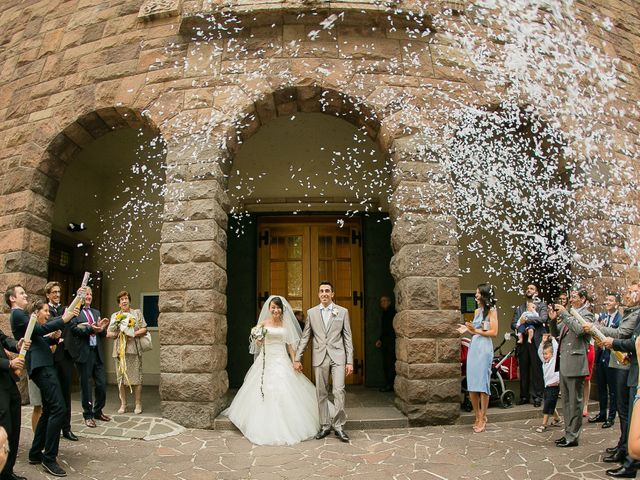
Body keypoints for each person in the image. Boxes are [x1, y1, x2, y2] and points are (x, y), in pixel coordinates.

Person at [224, 296, 320, 445]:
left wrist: (295, 360)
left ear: (282, 309)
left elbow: (289, 346)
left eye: (278, 307)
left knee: (285, 389)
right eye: (273, 307)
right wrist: (259, 340)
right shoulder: (263, 324)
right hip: (266, 360)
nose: (275, 310)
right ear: (269, 309)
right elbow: (257, 343)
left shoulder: (286, 325)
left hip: (281, 359)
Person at [9, 286, 80, 477]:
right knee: (59, 408)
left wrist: (55, 340)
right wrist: (64, 319)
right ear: (11, 299)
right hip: (41, 366)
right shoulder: (18, 314)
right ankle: (49, 458)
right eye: (22, 293)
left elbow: (37, 338)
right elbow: (39, 330)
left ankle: (35, 453)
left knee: (49, 409)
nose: (26, 295)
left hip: (41, 363)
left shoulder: (23, 317)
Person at [590, 281, 640, 476]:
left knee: (630, 415)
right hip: (633, 367)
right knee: (627, 413)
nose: (628, 294)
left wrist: (614, 342)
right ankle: (628, 459)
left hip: (635, 374)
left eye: (632, 291)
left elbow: (631, 339)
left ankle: (630, 462)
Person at [294, 281, 354, 443]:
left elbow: (348, 338)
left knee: (339, 390)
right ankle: (325, 425)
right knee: (321, 392)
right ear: (318, 294)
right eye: (321, 291)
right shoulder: (312, 313)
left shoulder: (342, 312)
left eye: (327, 291)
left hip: (338, 357)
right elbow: (306, 336)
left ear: (332, 294)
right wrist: (297, 357)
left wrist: (350, 361)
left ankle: (339, 426)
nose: (324, 293)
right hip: (320, 357)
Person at [553, 289, 592, 448]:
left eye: (574, 297)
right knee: (567, 401)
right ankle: (567, 433)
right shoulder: (569, 313)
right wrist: (552, 320)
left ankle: (573, 436)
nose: (571, 300)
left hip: (575, 362)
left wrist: (565, 314)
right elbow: (557, 332)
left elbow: (579, 329)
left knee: (575, 402)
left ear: (583, 299)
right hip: (564, 362)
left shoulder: (587, 315)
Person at [458, 283, 498, 433]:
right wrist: (467, 329)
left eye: (478, 293)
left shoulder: (492, 311)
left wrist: (476, 330)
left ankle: (483, 417)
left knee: (482, 384)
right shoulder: (476, 311)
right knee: (473, 384)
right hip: (474, 347)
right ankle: (477, 415)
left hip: (484, 348)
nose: (476, 295)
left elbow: (494, 332)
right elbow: (474, 331)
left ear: (484, 295)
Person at [69, 287, 110, 427]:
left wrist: (102, 327)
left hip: (96, 352)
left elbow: (101, 334)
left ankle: (98, 411)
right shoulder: (75, 312)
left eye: (91, 294)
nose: (89, 296)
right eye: (86, 294)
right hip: (84, 354)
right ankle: (88, 415)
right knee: (86, 386)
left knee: (101, 384)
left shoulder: (96, 312)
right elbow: (74, 330)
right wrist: (91, 328)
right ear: (80, 296)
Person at [0, 293, 30, 480]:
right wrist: (8, 364)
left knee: (15, 426)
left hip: (7, 381)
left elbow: (4, 339)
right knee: (4, 428)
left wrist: (17, 345)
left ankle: (8, 471)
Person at [45, 281, 78, 442]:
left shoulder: (66, 310)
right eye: (54, 292)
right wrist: (65, 316)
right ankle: (52, 428)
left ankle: (67, 428)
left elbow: (71, 324)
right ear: (48, 294)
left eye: (59, 292)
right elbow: (49, 324)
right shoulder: (45, 310)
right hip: (50, 356)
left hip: (65, 355)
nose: (57, 295)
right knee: (52, 394)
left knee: (66, 392)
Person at [107, 290, 147, 415]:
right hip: (119, 351)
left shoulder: (137, 313)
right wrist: (120, 334)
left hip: (133, 350)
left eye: (126, 298)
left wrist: (132, 333)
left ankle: (138, 403)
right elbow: (109, 333)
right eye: (122, 299)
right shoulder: (115, 316)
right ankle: (123, 404)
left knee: (136, 378)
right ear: (119, 303)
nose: (124, 301)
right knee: (121, 379)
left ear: (129, 300)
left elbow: (144, 329)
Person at [511, 283, 548, 407]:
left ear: (536, 293)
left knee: (537, 370)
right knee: (524, 369)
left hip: (536, 341)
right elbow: (513, 323)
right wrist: (520, 323)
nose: (529, 290)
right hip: (523, 343)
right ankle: (524, 396)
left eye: (532, 289)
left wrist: (526, 320)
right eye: (527, 288)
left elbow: (543, 319)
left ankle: (538, 396)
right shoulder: (520, 308)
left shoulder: (542, 306)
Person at [590, 293, 622, 428]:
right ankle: (602, 413)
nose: (607, 302)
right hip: (601, 355)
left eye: (611, 300)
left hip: (613, 357)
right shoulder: (602, 317)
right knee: (601, 386)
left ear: (617, 304)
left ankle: (611, 416)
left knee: (612, 389)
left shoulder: (620, 319)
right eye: (606, 299)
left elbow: (619, 336)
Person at [535, 334, 563, 432]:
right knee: (550, 403)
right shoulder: (544, 362)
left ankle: (544, 424)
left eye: (547, 354)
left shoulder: (554, 360)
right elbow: (539, 352)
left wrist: (553, 339)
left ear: (552, 354)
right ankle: (557, 419)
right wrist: (542, 342)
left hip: (554, 385)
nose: (545, 356)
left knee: (547, 405)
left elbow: (556, 348)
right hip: (547, 386)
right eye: (544, 354)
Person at [374, 294, 396, 392]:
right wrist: (381, 340)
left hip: (391, 342)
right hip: (386, 342)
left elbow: (389, 329)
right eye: (381, 301)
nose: (382, 303)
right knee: (387, 363)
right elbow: (384, 329)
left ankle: (390, 384)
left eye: (384, 301)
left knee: (390, 364)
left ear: (389, 302)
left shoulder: (392, 313)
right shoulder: (385, 313)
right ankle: (389, 383)